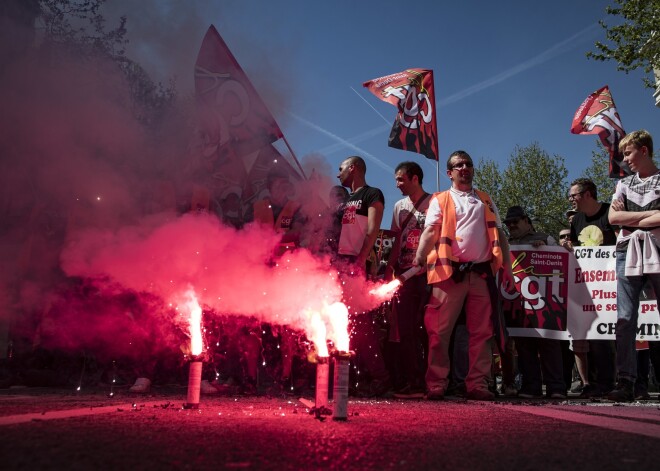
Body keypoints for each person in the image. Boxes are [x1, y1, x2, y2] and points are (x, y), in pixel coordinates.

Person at [414, 150, 514, 401]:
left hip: (480, 274)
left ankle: (478, 383)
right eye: (458, 165)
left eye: (468, 164)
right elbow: (430, 233)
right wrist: (419, 258)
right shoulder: (441, 199)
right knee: (439, 331)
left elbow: (500, 235)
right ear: (449, 173)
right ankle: (436, 383)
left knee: (482, 333)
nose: (464, 168)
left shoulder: (485, 199)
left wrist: (508, 269)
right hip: (450, 274)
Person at [607, 130, 660, 401]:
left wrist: (629, 218)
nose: (625, 158)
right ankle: (625, 381)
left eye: (628, 152)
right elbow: (613, 218)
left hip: (658, 251)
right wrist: (653, 214)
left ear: (644, 151)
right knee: (625, 318)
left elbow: (622, 217)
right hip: (627, 252)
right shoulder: (624, 184)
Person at [336, 155, 391, 396]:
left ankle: (380, 377)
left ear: (353, 168)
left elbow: (373, 229)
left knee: (363, 325)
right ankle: (350, 380)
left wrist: (361, 259)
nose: (338, 174)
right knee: (344, 324)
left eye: (341, 169)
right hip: (341, 265)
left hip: (358, 264)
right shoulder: (344, 201)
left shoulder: (372, 194)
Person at [503, 206, 566, 399]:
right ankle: (531, 386)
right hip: (518, 303)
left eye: (515, 222)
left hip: (546, 302)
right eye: (508, 223)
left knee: (549, 345)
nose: (511, 226)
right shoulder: (505, 244)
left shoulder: (546, 238)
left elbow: (562, 259)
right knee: (524, 346)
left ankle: (556, 387)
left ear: (527, 221)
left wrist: (547, 249)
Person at [385, 162, 431, 398]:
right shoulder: (398, 207)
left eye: (401, 179)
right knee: (406, 329)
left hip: (428, 276)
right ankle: (413, 382)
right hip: (404, 275)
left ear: (415, 178)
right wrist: (390, 269)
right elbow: (396, 240)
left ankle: (432, 381)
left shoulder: (435, 203)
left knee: (429, 329)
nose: (397, 184)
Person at [569, 177, 618, 398]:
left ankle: (617, 382)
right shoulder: (576, 220)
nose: (571, 200)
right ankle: (596, 383)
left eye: (574, 195)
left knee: (612, 336)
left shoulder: (610, 213)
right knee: (593, 335)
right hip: (588, 287)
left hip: (612, 284)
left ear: (587, 194)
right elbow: (576, 249)